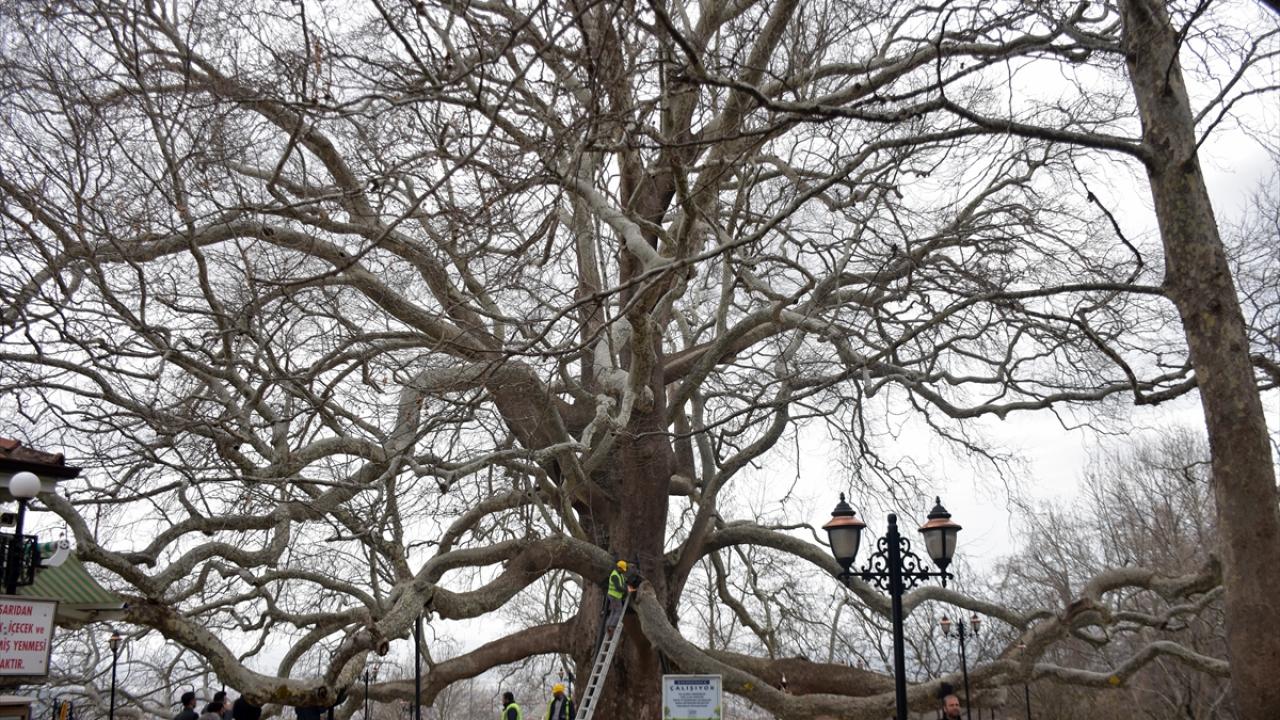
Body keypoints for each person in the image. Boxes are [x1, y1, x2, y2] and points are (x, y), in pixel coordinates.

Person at [604, 559, 635, 634]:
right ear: (619, 568)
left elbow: (624, 580)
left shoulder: (620, 574)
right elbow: (618, 587)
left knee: (614, 611)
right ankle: (612, 627)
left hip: (615, 595)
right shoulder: (614, 575)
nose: (624, 571)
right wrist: (626, 590)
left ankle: (608, 626)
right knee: (619, 611)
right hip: (614, 595)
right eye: (623, 570)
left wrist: (627, 585)